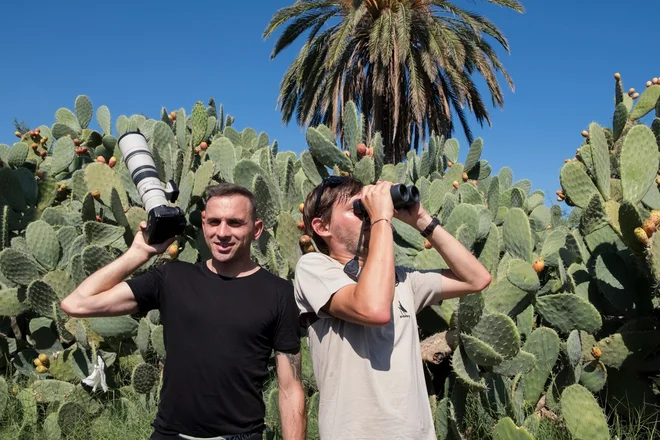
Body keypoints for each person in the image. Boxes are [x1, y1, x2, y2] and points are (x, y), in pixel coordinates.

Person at [61, 183, 306, 440]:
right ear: (203, 223)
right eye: (214, 222)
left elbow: (290, 388)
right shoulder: (172, 278)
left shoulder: (278, 293)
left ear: (256, 230)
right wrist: (137, 254)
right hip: (170, 435)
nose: (222, 232)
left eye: (234, 223)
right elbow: (76, 303)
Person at [293, 176, 492, 440]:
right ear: (322, 226)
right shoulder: (314, 269)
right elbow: (373, 309)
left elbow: (476, 278)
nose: (368, 216)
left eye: (368, 208)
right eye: (358, 210)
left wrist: (421, 219)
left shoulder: (403, 279)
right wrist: (381, 220)